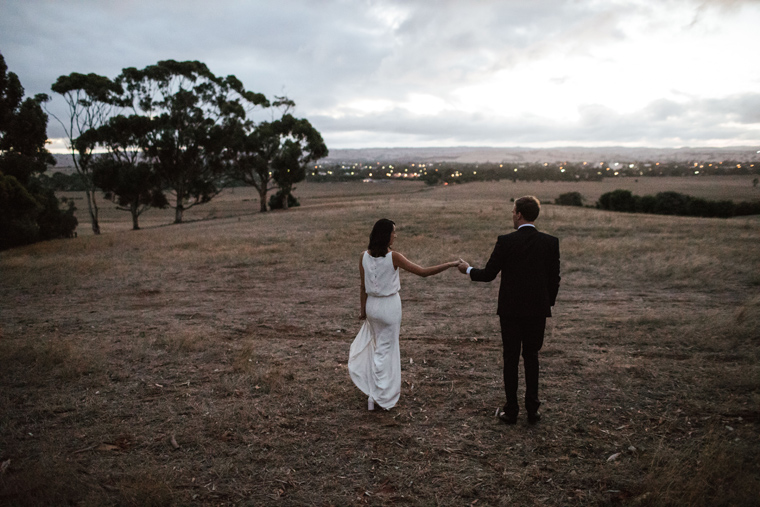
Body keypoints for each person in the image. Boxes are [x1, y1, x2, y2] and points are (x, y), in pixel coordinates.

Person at [458, 196, 560, 425]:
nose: (512, 215)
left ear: (519, 214)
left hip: (510, 312)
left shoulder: (506, 241)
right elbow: (555, 280)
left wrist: (467, 270)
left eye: (513, 211)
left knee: (511, 359)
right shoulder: (550, 242)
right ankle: (533, 410)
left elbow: (488, 275)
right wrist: (546, 304)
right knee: (532, 358)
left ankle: (511, 410)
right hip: (537, 312)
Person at [349, 218, 462, 411]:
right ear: (386, 235)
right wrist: (452, 263)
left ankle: (374, 393)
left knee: (378, 348)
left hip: (371, 306)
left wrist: (363, 311)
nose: (395, 235)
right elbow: (423, 272)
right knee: (386, 351)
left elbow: (362, 287)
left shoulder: (363, 256)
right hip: (389, 307)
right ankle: (379, 395)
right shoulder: (394, 257)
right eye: (393, 232)